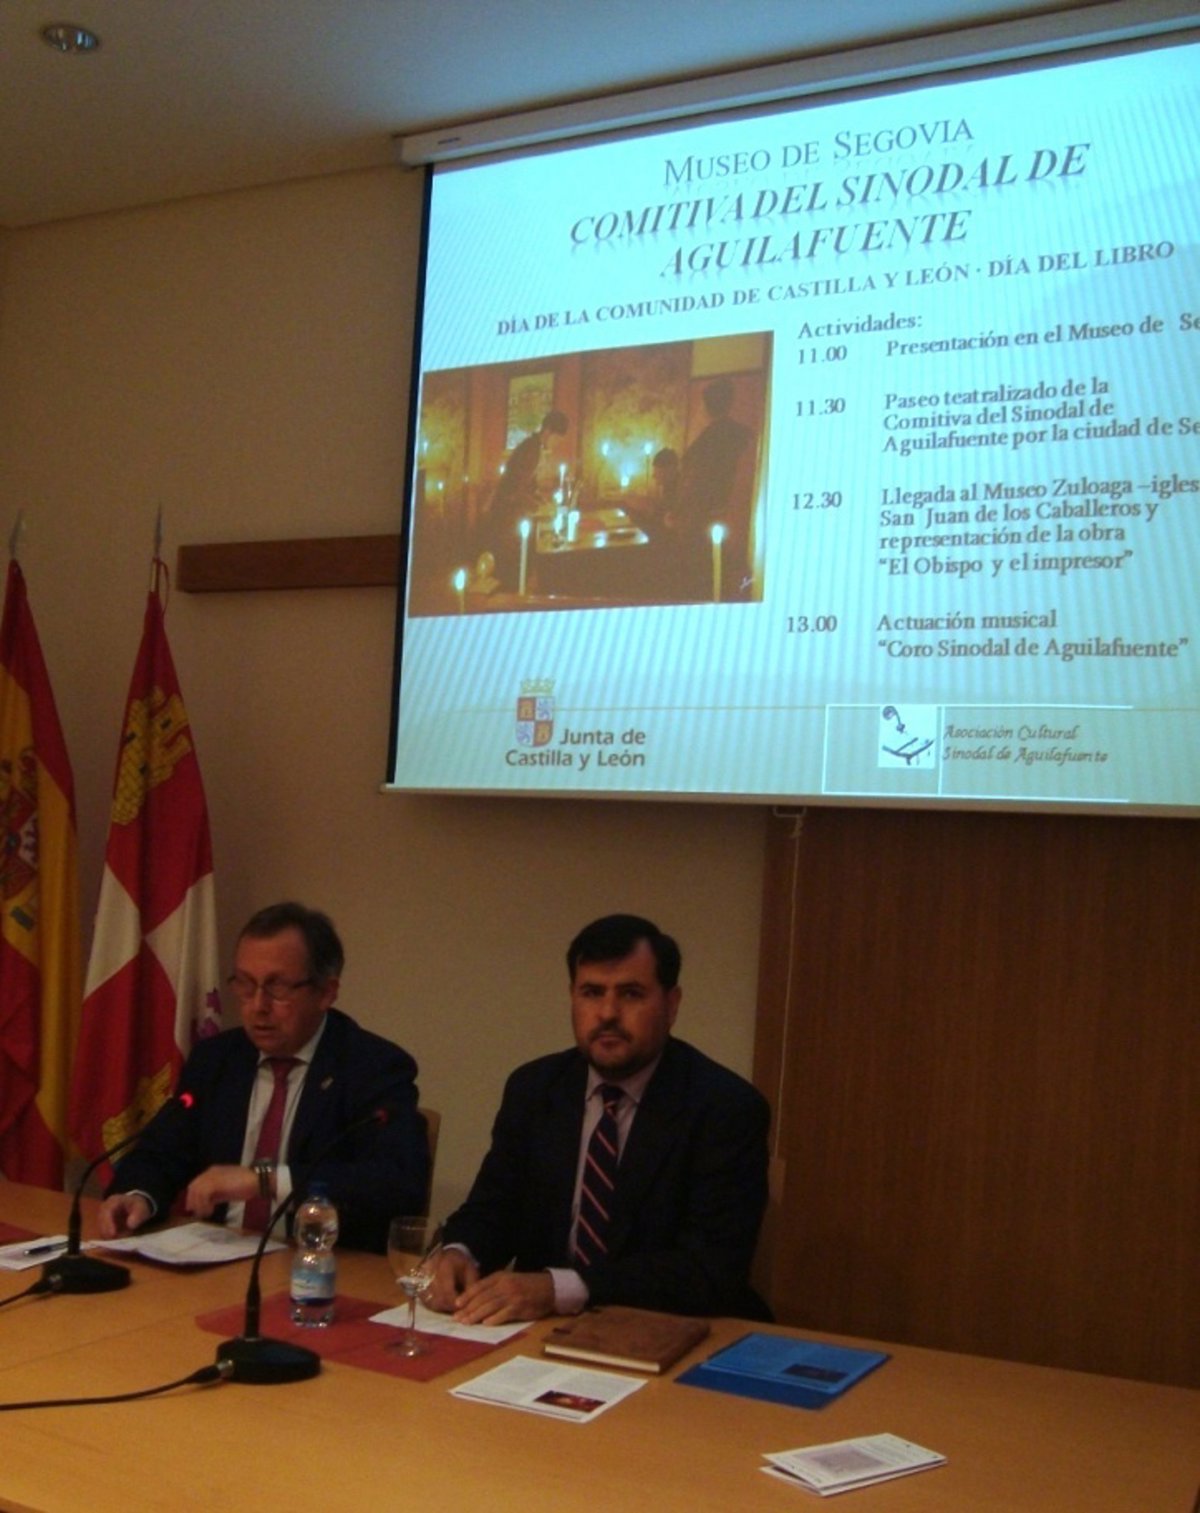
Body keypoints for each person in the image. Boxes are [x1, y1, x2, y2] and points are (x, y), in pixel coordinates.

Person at [427, 913, 770, 1324]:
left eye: (631, 994)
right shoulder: (535, 1088)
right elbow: (494, 1207)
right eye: (591, 992)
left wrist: (561, 1289)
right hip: (539, 1331)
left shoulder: (725, 1107)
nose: (607, 1013)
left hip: (669, 1329)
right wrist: (459, 1252)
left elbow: (708, 1269)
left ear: (671, 1004)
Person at [97, 901, 428, 1253]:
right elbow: (161, 1152)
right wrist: (138, 1196)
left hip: (318, 1266)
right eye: (245, 984)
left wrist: (264, 1181)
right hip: (216, 1259)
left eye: (277, 987)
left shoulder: (371, 1066)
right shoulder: (217, 1060)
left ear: (326, 993)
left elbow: (398, 1183)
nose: (257, 1006)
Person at [677, 377, 755, 599]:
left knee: (701, 580)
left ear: (706, 406)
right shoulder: (745, 434)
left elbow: (693, 483)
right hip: (736, 515)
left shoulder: (705, 441)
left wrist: (680, 514)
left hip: (701, 517)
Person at [484, 409, 570, 589]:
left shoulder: (532, 446)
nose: (556, 445)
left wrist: (539, 499)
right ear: (548, 431)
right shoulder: (531, 450)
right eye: (557, 439)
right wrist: (538, 507)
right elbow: (516, 490)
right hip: (507, 516)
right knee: (511, 569)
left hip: (511, 512)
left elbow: (527, 485)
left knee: (516, 566)